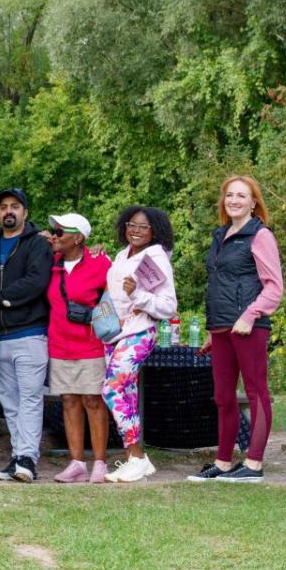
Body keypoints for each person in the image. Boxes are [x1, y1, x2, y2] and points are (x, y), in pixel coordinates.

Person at [189, 176, 284, 483]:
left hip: (248, 327)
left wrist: (250, 315)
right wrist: (213, 329)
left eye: (241, 195)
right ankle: (224, 462)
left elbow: (274, 287)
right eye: (229, 195)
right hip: (221, 328)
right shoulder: (221, 235)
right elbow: (220, 285)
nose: (234, 200)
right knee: (223, 397)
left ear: (253, 202)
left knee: (256, 392)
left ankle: (254, 465)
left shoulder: (260, 235)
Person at [0, 187, 53, 483]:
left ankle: (27, 459)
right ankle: (19, 457)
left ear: (25, 213)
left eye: (15, 206)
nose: (9, 211)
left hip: (30, 332)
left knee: (30, 398)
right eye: (4, 206)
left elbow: (37, 281)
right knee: (9, 402)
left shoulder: (37, 243)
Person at [102, 206, 178, 483]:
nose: (135, 230)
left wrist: (139, 296)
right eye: (131, 224)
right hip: (115, 332)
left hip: (140, 332)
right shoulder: (123, 254)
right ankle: (135, 459)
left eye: (143, 227)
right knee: (128, 394)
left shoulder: (155, 258)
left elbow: (168, 306)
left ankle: (136, 456)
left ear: (154, 231)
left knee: (112, 389)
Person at [45, 214, 113, 484]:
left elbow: (115, 298)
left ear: (78, 237)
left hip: (90, 343)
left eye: (60, 232)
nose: (55, 235)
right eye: (53, 231)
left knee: (93, 401)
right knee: (69, 401)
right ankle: (76, 463)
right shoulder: (52, 263)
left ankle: (100, 463)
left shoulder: (100, 262)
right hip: (59, 343)